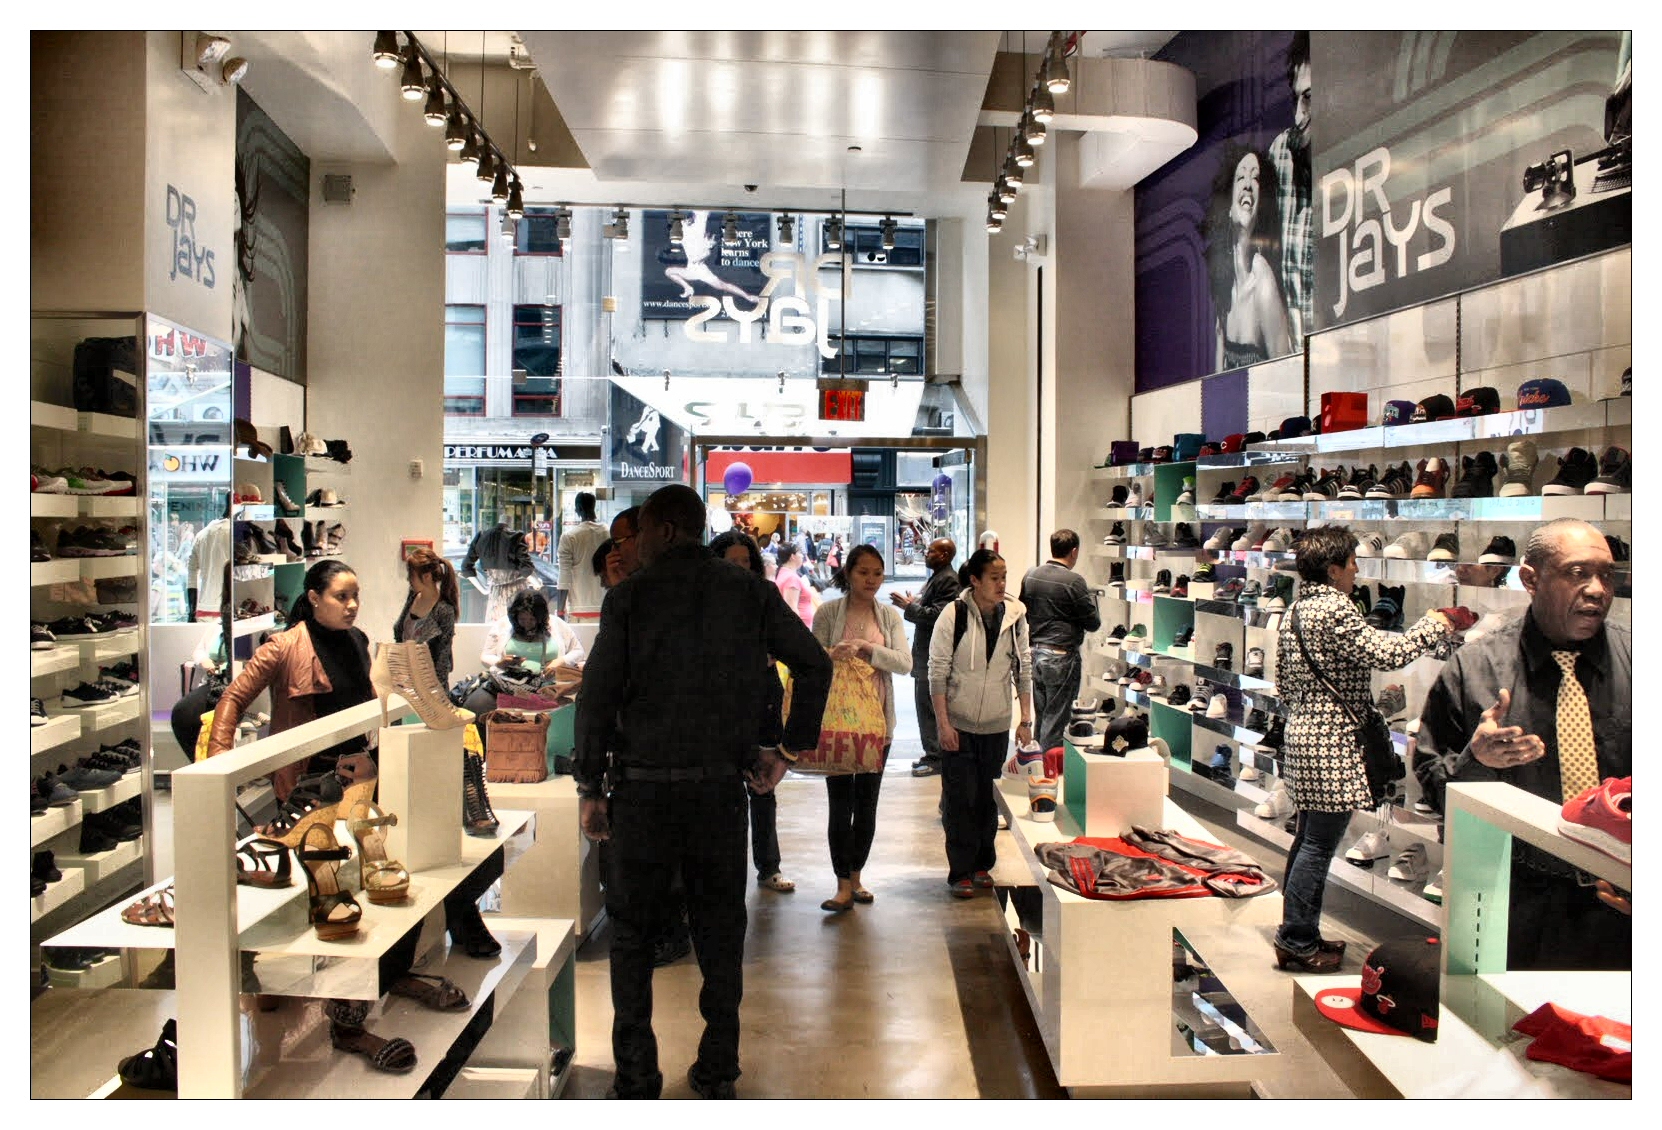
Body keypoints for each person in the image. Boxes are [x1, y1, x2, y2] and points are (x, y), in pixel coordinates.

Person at [574, 484, 831, 1100]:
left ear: (662, 530)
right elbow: (815, 664)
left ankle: (636, 1076)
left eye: (636, 534)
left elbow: (598, 695)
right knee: (720, 926)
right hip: (720, 791)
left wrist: (590, 783)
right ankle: (718, 1069)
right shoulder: (748, 591)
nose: (629, 546)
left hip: (642, 792)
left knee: (632, 934)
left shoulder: (629, 599)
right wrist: (786, 749)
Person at [1419, 518, 1630, 971]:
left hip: (1622, 911)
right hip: (1506, 905)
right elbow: (1435, 786)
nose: (1597, 589)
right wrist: (1478, 761)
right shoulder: (1474, 668)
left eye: (1607, 575)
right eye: (1578, 573)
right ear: (1531, 579)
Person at [1271, 526, 1458, 971]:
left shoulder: (1296, 608)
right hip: (1332, 742)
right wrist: (1433, 623)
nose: (1357, 569)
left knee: (1307, 840)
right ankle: (1296, 941)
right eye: (1352, 562)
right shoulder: (1336, 608)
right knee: (1318, 844)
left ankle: (1299, 932)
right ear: (1334, 569)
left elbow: (1282, 681)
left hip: (1301, 734)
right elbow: (1386, 655)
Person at [207, 559, 372, 800]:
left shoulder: (357, 639)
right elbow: (233, 697)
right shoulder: (283, 647)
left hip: (357, 773)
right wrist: (219, 762)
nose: (353, 605)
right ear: (315, 598)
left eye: (355, 595)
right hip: (306, 779)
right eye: (342, 597)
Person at [811, 544, 911, 912]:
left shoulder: (888, 618)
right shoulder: (828, 612)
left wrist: (868, 649)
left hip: (877, 724)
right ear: (848, 574)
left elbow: (904, 663)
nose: (871, 579)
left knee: (867, 804)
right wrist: (830, 654)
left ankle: (856, 876)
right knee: (839, 804)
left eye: (877, 573)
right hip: (837, 722)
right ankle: (841, 884)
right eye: (863, 572)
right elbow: (810, 657)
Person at [929, 548, 1034, 899]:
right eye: (994, 577)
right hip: (958, 722)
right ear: (974, 580)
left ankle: (981, 866)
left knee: (988, 801)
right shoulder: (953, 614)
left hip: (996, 722)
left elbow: (1024, 669)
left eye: (1004, 576)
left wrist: (1026, 719)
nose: (1002, 583)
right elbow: (937, 672)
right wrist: (943, 724)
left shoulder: (1016, 616)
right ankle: (959, 870)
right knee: (960, 799)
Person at [711, 529, 796, 895]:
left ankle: (769, 867)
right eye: (734, 562)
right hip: (722, 704)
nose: (742, 568)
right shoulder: (707, 603)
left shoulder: (765, 597)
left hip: (764, 697)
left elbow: (788, 644)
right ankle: (723, 872)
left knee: (763, 785)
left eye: (747, 561)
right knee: (722, 791)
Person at [1207, 144, 1292, 371]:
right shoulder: (1224, 284)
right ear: (1227, 207)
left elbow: (1285, 377)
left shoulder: (1262, 279)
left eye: (1255, 179)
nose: (1247, 184)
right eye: (1240, 177)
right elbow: (1218, 379)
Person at [1018, 530, 1102, 755]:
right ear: (1074, 551)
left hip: (1035, 653)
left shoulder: (1031, 575)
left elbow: (1023, 611)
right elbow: (1093, 623)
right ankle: (1047, 773)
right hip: (1062, 656)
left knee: (1043, 715)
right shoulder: (1074, 581)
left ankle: (1034, 764)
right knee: (1056, 721)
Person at [891, 537, 961, 777]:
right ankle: (932, 753)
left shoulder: (949, 580)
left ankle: (937, 757)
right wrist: (914, 603)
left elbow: (938, 616)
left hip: (933, 656)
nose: (926, 554)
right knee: (924, 706)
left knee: (929, 707)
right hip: (926, 654)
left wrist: (908, 607)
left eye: (931, 551)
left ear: (944, 555)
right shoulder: (939, 577)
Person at [1268, 30, 1313, 344]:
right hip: (1293, 367)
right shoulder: (1281, 153)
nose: (1299, 115)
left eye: (1309, 97)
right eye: (1297, 98)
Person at [481, 589, 585, 697]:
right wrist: (500, 663)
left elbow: (578, 651)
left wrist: (560, 661)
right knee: (476, 702)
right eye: (522, 619)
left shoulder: (557, 624)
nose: (527, 624)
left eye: (532, 619)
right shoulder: (502, 625)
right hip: (508, 682)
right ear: (515, 616)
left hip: (548, 685)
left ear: (541, 617)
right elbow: (485, 655)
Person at [393, 547, 459, 691]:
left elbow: (443, 656)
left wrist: (437, 695)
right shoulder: (413, 596)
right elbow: (401, 633)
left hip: (429, 686)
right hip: (404, 680)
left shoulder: (444, 610)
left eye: (411, 574)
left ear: (427, 576)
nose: (408, 579)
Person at [462, 518, 536, 625]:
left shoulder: (481, 537)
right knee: (518, 628)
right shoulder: (516, 537)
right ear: (509, 524)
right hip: (517, 593)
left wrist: (484, 589)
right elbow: (526, 570)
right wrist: (537, 582)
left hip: (495, 595)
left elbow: (466, 567)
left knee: (496, 631)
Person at [556, 491, 610, 622]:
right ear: (594, 507)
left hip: (578, 609)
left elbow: (565, 576)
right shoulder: (608, 533)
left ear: (578, 509)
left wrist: (560, 610)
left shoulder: (569, 537)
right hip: (605, 607)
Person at [774, 542, 816, 627]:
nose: (802, 556)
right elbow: (791, 609)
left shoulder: (783, 573)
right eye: (800, 553)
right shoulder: (791, 578)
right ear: (793, 556)